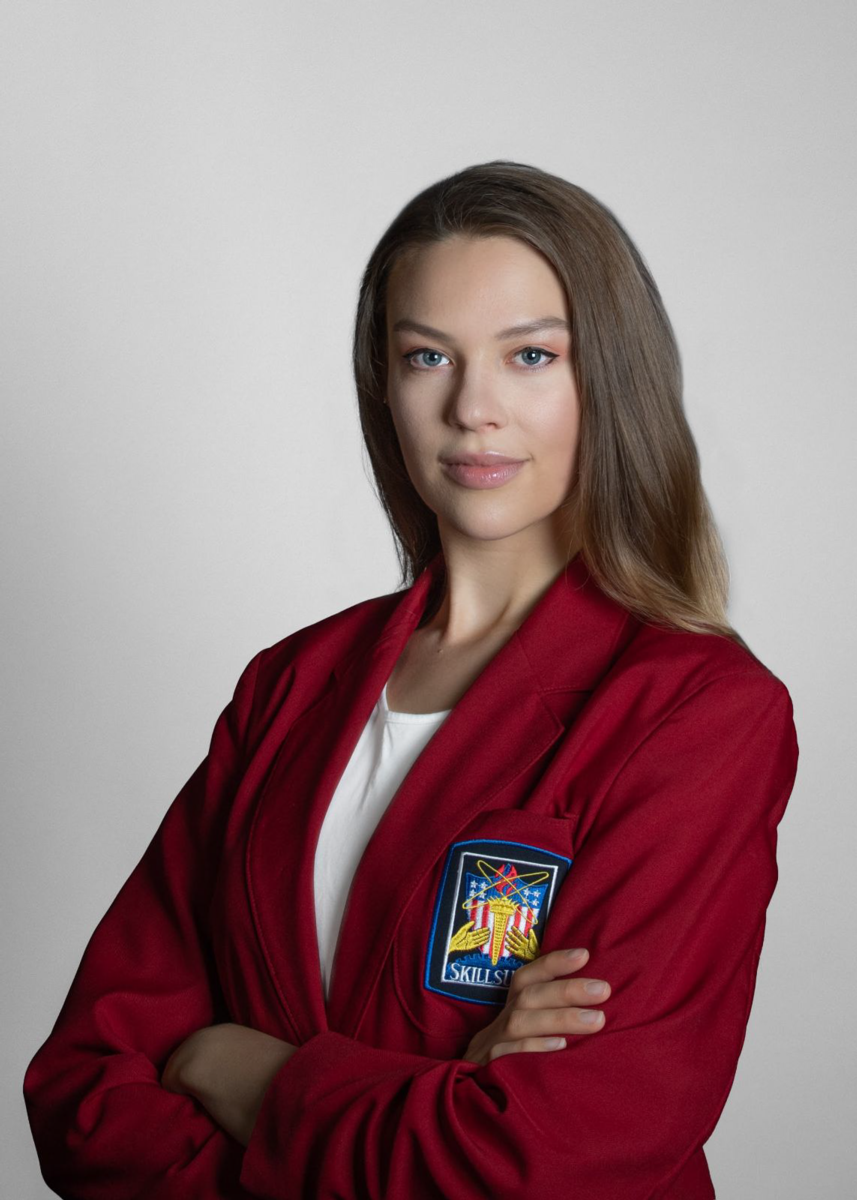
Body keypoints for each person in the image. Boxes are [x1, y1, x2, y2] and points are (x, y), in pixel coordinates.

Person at [23, 160, 799, 1199]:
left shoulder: (695, 711)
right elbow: (83, 1086)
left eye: (530, 355)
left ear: (605, 377)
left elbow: (558, 1154)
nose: (472, 407)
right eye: (427, 356)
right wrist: (427, 1098)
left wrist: (258, 1079)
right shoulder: (290, 685)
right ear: (382, 385)